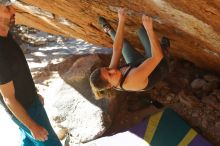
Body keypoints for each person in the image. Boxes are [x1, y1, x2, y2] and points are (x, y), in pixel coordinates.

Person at [0, 1, 62, 146]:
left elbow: (18, 72)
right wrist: (32, 126)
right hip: (26, 112)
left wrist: (34, 93)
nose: (12, 10)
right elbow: (8, 98)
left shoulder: (6, 36)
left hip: (31, 104)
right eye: (7, 7)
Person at [90, 8, 169, 100]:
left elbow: (117, 49)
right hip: (158, 65)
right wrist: (149, 30)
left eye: (107, 69)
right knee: (143, 30)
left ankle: (109, 31)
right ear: (110, 86)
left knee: (124, 44)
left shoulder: (112, 74)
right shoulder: (132, 79)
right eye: (110, 74)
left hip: (139, 64)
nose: (112, 70)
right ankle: (164, 49)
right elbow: (157, 57)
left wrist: (121, 20)